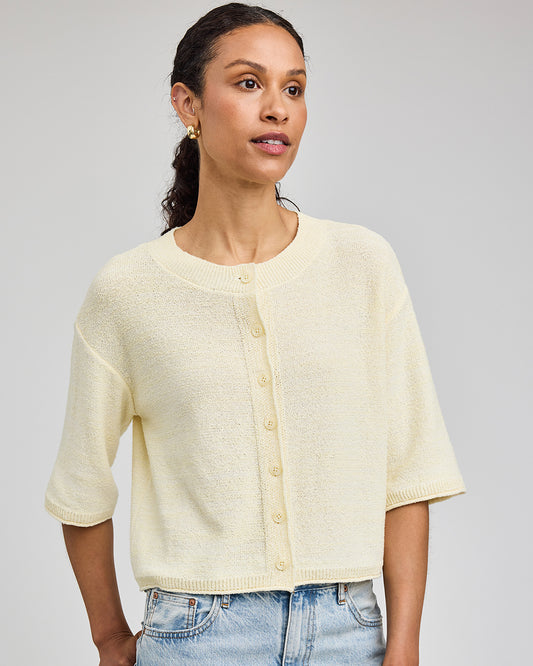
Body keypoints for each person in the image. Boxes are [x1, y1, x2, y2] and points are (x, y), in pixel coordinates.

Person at [44, 3, 467, 665]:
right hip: (197, 634)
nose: (277, 109)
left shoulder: (362, 265)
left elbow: (407, 474)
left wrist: (404, 645)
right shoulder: (129, 291)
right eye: (248, 83)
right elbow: (80, 488)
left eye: (293, 89)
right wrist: (108, 638)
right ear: (187, 104)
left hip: (348, 629)